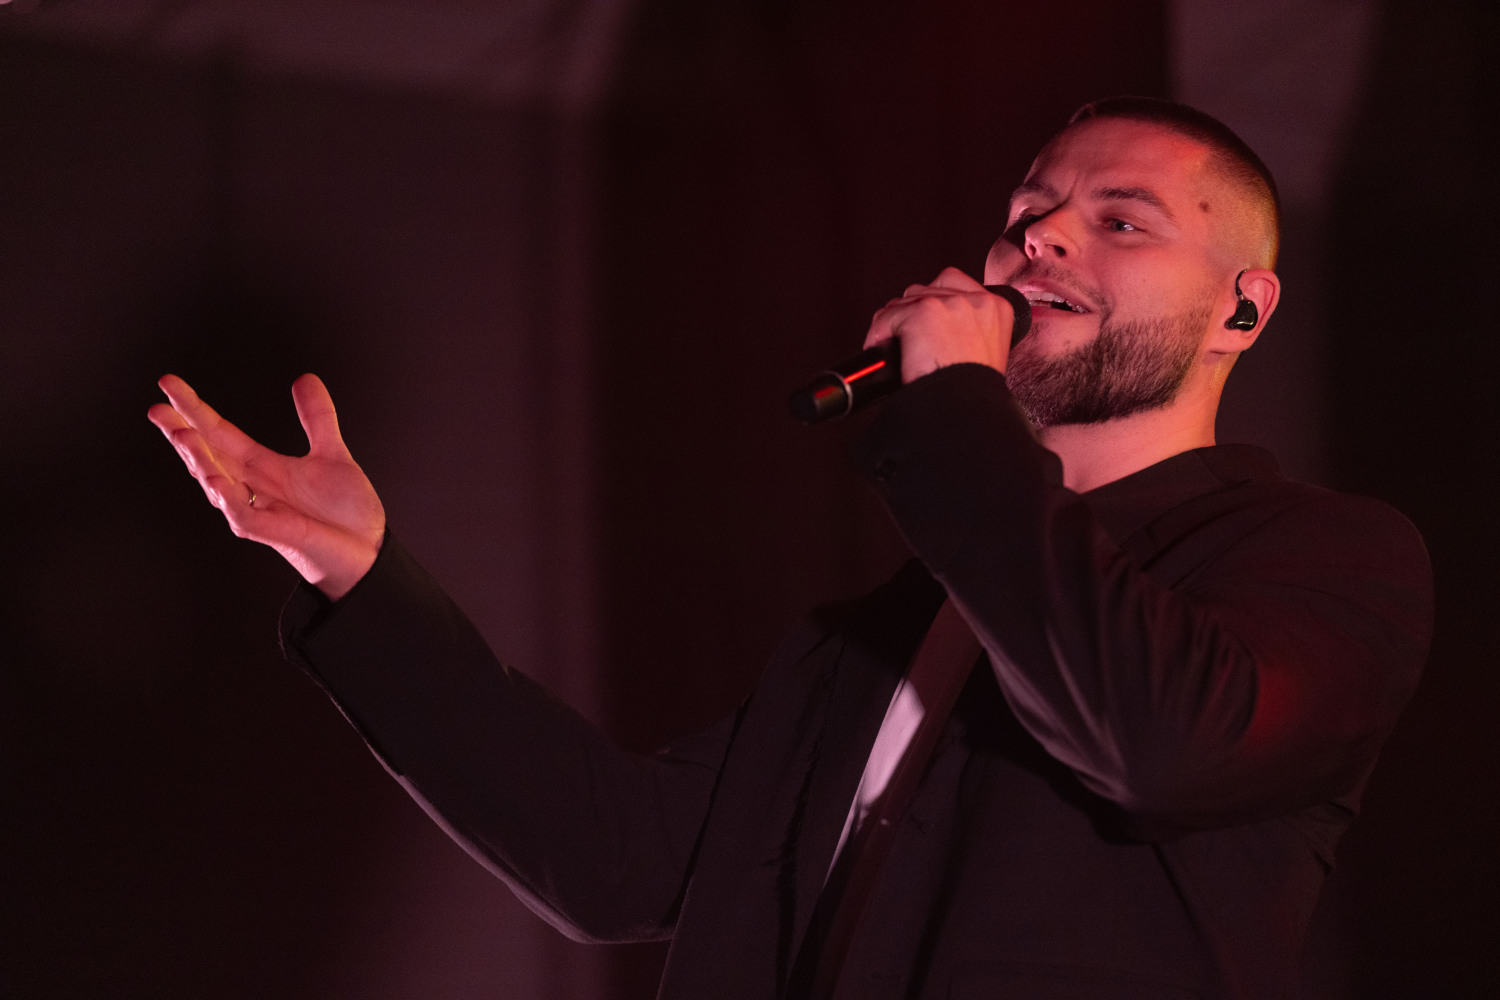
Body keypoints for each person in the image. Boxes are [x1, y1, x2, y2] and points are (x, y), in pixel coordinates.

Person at [149, 97, 1432, 998]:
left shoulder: (1324, 556)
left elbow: (1159, 736)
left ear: (1243, 307)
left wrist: (956, 411)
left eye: (1122, 221)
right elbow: (616, 860)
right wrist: (361, 578)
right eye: (1029, 212)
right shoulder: (894, 629)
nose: (1039, 237)